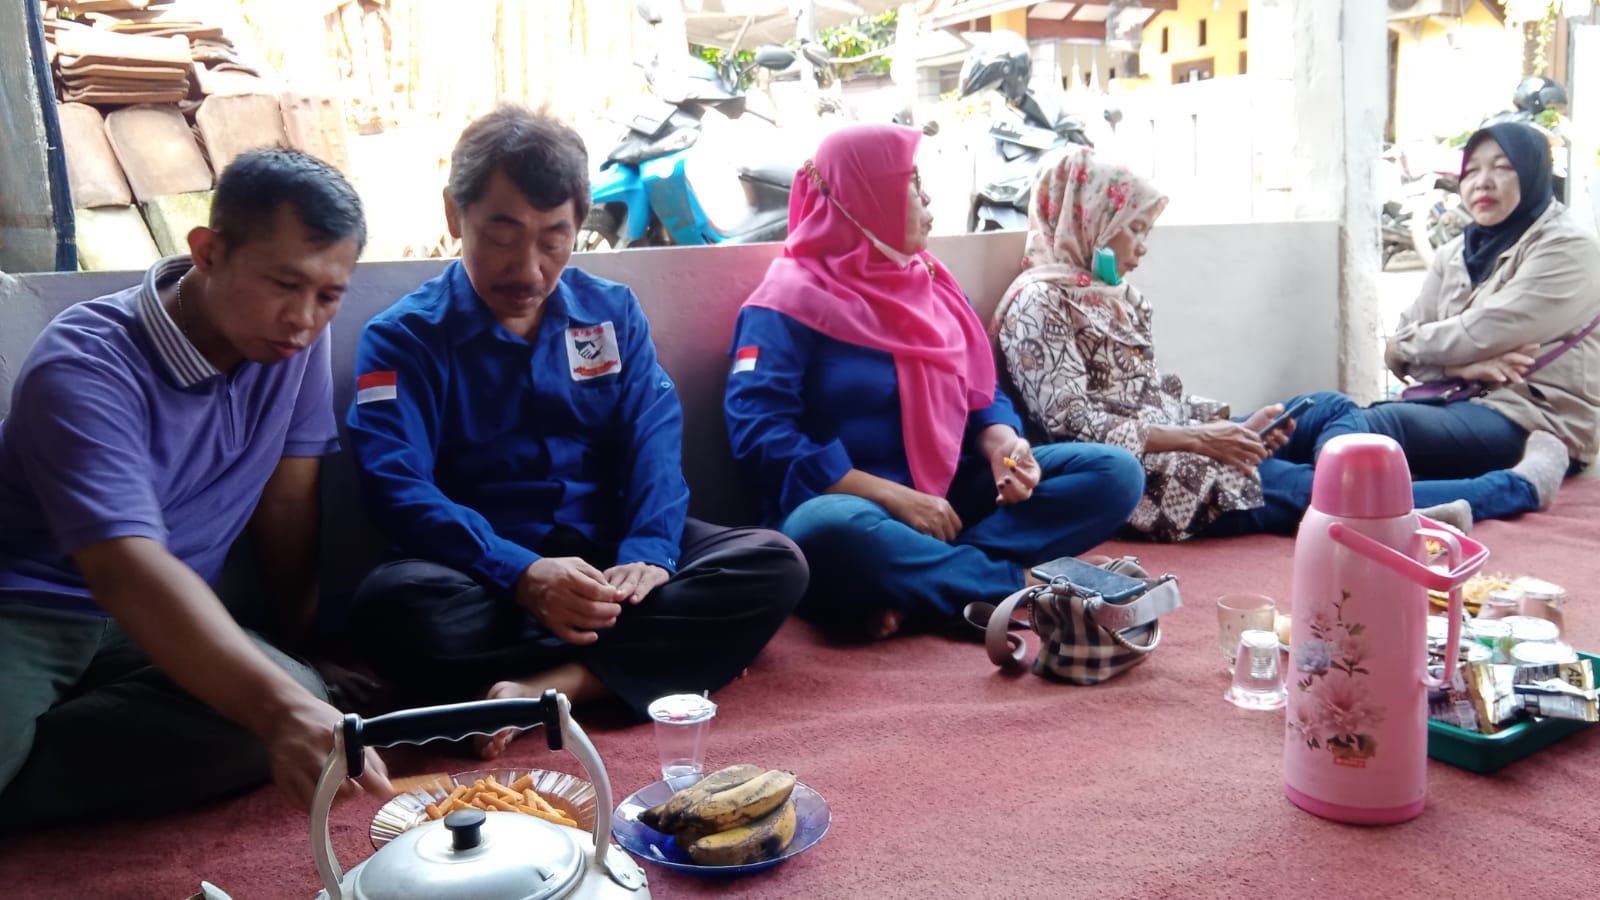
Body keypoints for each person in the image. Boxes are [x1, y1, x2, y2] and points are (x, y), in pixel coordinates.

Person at [346, 106, 807, 757]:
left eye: (553, 239)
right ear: (455, 215)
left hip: (608, 558)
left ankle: (552, 687)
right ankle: (666, 658)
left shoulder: (611, 313)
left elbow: (653, 437)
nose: (529, 269)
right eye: (502, 235)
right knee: (389, 606)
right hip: (485, 575)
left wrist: (649, 552)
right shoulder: (404, 338)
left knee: (773, 563)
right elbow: (394, 485)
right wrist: (522, 573)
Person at [0, 149, 391, 830]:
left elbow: (287, 502)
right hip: (28, 606)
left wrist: (299, 651)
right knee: (279, 711)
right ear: (208, 252)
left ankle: (27, 760)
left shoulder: (292, 346)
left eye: (329, 296)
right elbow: (123, 570)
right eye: (284, 284)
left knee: (299, 700)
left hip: (164, 619)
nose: (303, 319)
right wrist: (276, 709)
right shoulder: (84, 364)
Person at [994, 145, 1573, 541]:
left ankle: (1357, 493)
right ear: (1091, 221)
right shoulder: (1039, 303)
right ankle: (1509, 489)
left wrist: (1232, 428)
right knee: (1306, 485)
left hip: (1186, 439)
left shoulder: (1114, 293)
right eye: (1135, 229)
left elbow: (1151, 397)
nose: (1143, 246)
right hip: (1154, 478)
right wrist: (1203, 440)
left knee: (1327, 407)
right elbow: (1074, 426)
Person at [723, 124, 1144, 641]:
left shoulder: (932, 284)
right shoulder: (784, 302)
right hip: (855, 503)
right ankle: (1024, 585)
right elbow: (760, 436)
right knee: (825, 532)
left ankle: (924, 587)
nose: (927, 200)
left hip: (949, 494)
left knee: (1115, 473)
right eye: (911, 183)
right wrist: (896, 498)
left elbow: (981, 392)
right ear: (865, 196)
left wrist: (1003, 446)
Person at [1376, 121, 1600, 522]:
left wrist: (1405, 346)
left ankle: (1520, 487)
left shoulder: (1570, 248)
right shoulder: (1455, 253)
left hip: (1536, 418)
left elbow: (1484, 333)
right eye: (1472, 170)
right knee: (1325, 423)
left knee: (1371, 431)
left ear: (1533, 172)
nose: (1482, 182)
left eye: (1502, 167)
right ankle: (1519, 488)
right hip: (1457, 400)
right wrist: (1455, 367)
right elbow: (1406, 355)